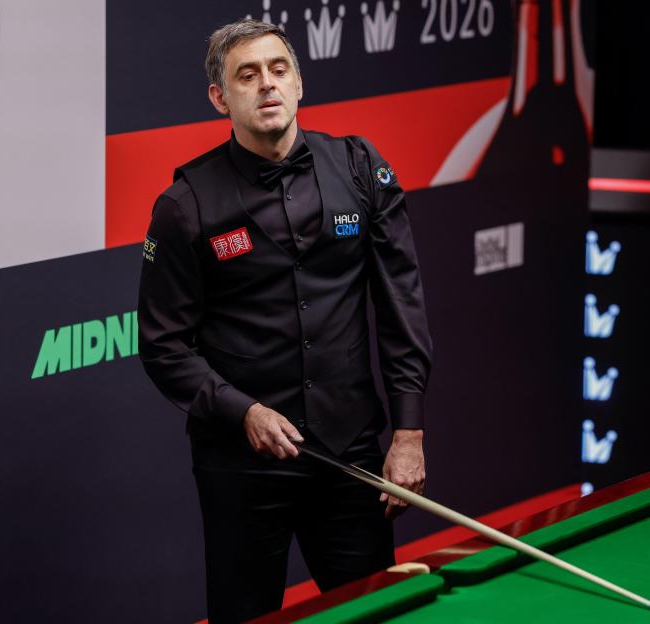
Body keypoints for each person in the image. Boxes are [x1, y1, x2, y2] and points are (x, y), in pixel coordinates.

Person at [137, 19, 432, 623]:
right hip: (241, 468)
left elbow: (401, 305)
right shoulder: (184, 205)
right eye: (247, 76)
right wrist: (240, 410)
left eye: (278, 71)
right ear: (221, 98)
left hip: (351, 457)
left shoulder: (358, 168)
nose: (266, 85)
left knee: (373, 615)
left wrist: (408, 433)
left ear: (299, 83)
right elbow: (164, 347)